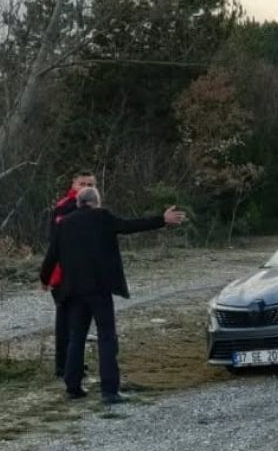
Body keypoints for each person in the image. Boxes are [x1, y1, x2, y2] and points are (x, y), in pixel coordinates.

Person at [40, 187, 186, 403]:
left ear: (79, 203)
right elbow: (130, 226)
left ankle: (73, 387)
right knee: (106, 336)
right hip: (99, 289)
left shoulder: (65, 224)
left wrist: (44, 279)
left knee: (76, 338)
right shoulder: (103, 217)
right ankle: (109, 390)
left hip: (73, 290)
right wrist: (161, 220)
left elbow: (52, 255)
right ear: (96, 202)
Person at [48, 172, 98, 379]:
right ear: (73, 184)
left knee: (75, 322)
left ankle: (70, 364)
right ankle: (64, 366)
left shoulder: (90, 208)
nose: (86, 187)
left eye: (90, 184)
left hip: (79, 272)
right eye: (82, 183)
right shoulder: (65, 207)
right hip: (63, 274)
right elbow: (56, 244)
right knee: (67, 322)